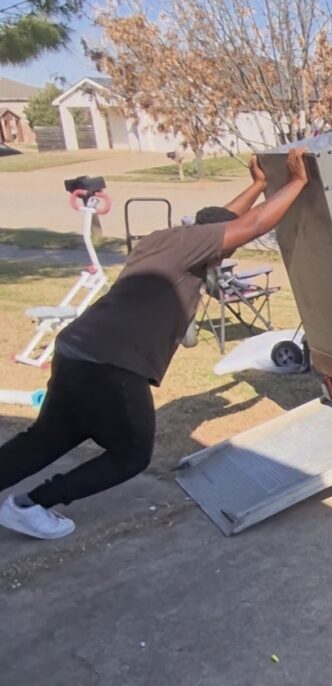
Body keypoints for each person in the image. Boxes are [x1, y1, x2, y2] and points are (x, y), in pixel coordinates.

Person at [0, 148, 309, 540]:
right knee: (131, 455)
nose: (226, 256)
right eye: (225, 250)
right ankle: (30, 505)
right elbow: (250, 225)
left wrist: (259, 185)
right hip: (111, 364)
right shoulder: (191, 249)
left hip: (77, 350)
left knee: (46, 439)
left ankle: (25, 504)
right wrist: (297, 182)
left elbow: (223, 219)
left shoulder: (169, 239)